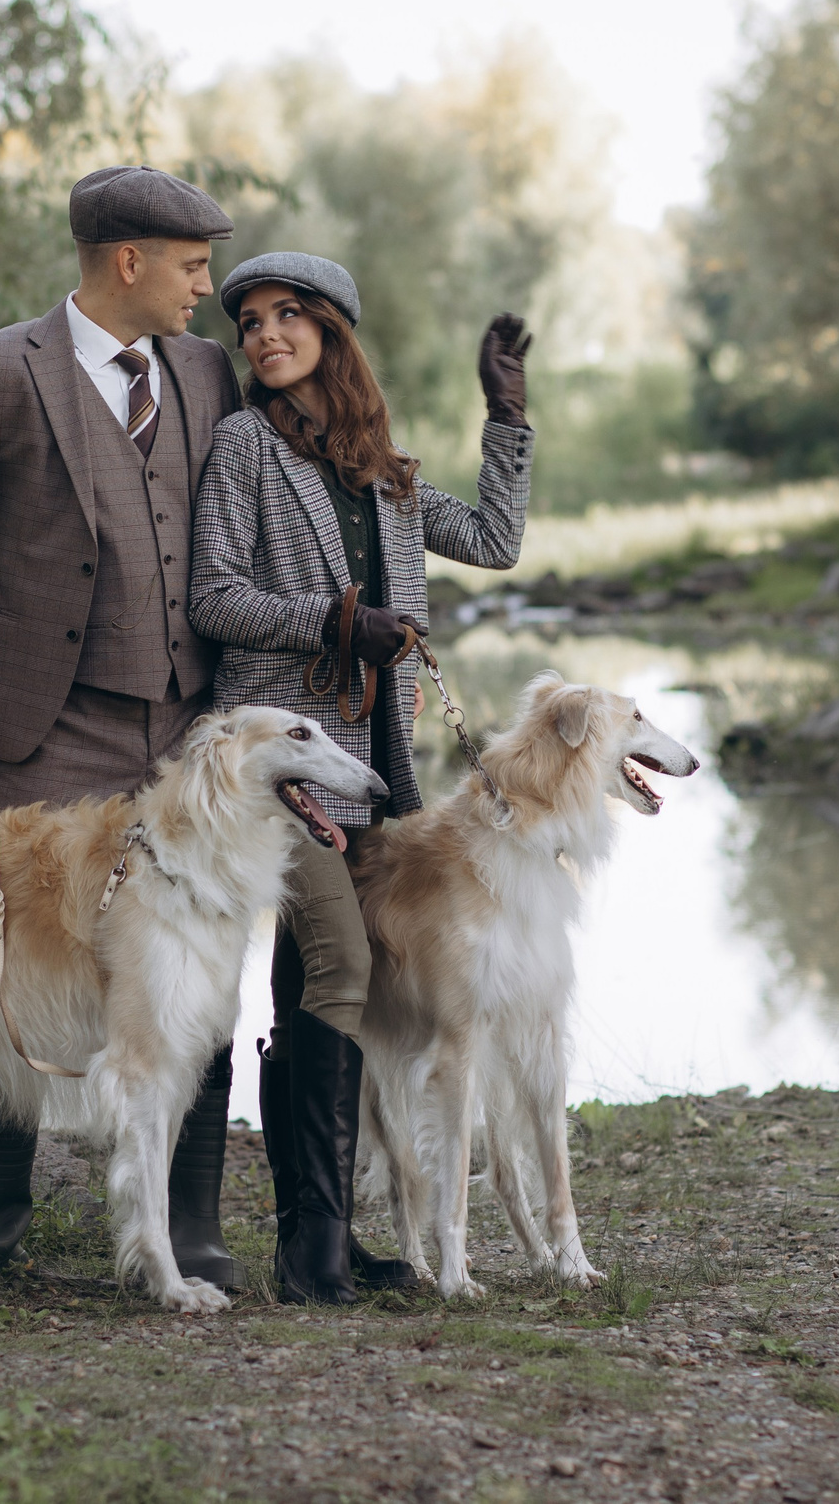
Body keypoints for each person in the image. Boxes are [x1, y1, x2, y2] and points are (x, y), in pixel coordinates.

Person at [0, 165, 250, 1288]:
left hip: (187, 727)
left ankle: (191, 1219)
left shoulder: (206, 370)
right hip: (46, 720)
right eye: (192, 265)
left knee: (201, 959)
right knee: (15, 956)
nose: (205, 286)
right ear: (128, 261)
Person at [188, 252, 533, 1303]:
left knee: (314, 987)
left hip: (375, 767)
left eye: (286, 315)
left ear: (333, 330)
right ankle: (317, 1250)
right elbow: (214, 596)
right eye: (249, 321)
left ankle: (315, 1239)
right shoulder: (245, 446)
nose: (264, 335)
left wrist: (506, 417)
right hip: (279, 767)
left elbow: (497, 542)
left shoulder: (383, 471)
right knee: (338, 965)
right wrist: (336, 623)